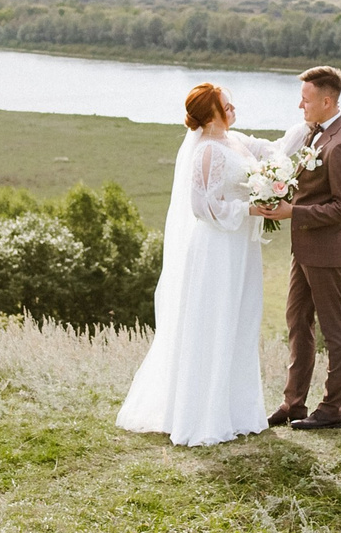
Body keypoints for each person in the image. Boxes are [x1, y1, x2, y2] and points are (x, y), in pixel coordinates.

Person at [115, 82, 271, 446]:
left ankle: (236, 410)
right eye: (227, 106)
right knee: (213, 321)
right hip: (217, 247)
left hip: (240, 247)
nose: (233, 110)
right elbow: (204, 207)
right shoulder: (206, 153)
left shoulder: (233, 142)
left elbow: (269, 152)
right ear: (212, 113)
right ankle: (203, 415)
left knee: (239, 319)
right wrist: (250, 207)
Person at [257, 66, 341, 431]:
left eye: (305, 99)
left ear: (326, 100)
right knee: (297, 323)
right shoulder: (313, 134)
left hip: (327, 253)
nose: (299, 105)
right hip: (303, 249)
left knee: (335, 332)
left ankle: (333, 409)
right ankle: (293, 403)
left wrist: (294, 212)